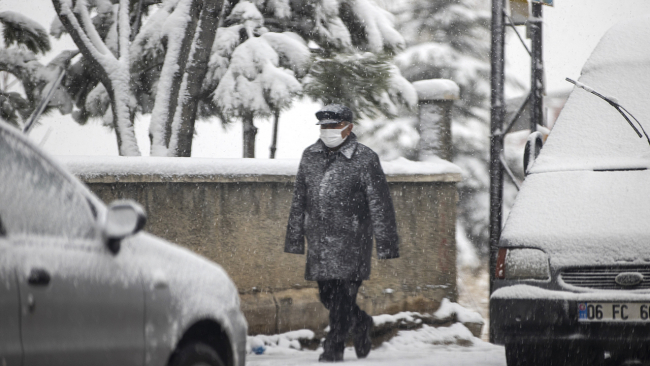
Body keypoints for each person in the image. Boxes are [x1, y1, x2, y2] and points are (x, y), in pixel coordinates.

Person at [284, 104, 400, 362]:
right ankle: (362, 323)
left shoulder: (365, 158)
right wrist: (294, 238)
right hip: (320, 242)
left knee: (344, 297)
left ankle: (333, 346)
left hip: (353, 241)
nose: (328, 131)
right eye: (324, 126)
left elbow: (379, 203)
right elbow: (299, 198)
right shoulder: (310, 155)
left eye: (334, 126)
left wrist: (387, 243)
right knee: (327, 295)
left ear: (349, 127)